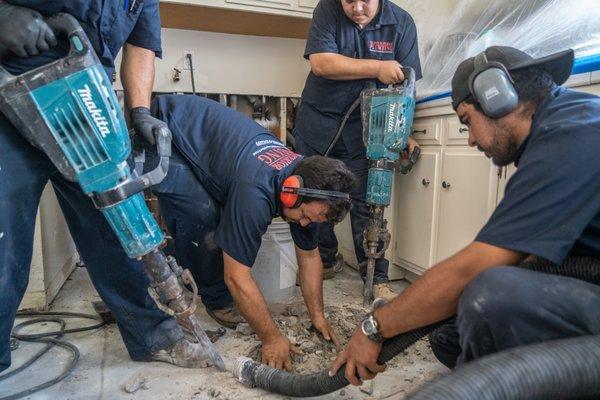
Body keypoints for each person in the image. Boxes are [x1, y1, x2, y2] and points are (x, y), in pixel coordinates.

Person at [330, 46, 600, 385]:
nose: (471, 139)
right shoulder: (564, 124)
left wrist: (374, 328)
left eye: (467, 122)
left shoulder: (570, 137)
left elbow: (476, 267)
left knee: (490, 296)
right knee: (450, 338)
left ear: (496, 96)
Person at [0, 1, 210, 372]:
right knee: (4, 239)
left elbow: (141, 47)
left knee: (118, 232)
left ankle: (153, 335)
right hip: (12, 98)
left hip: (84, 104)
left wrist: (140, 111)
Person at [143, 94, 356, 371]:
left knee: (219, 220)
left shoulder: (309, 185)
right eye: (304, 216)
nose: (305, 224)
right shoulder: (256, 192)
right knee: (202, 216)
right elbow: (237, 276)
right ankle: (214, 299)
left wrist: (318, 315)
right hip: (161, 129)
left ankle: (187, 267)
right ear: (291, 192)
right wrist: (271, 338)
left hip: (198, 137)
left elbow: (310, 256)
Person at [293, 0, 422, 298]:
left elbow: (409, 86)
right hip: (319, 119)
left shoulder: (401, 23)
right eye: (350, 0)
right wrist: (378, 67)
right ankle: (323, 260)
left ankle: (375, 275)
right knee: (314, 191)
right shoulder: (327, 10)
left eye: (366, 0)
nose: (358, 7)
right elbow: (321, 63)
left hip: (368, 124)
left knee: (365, 198)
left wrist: (405, 132)